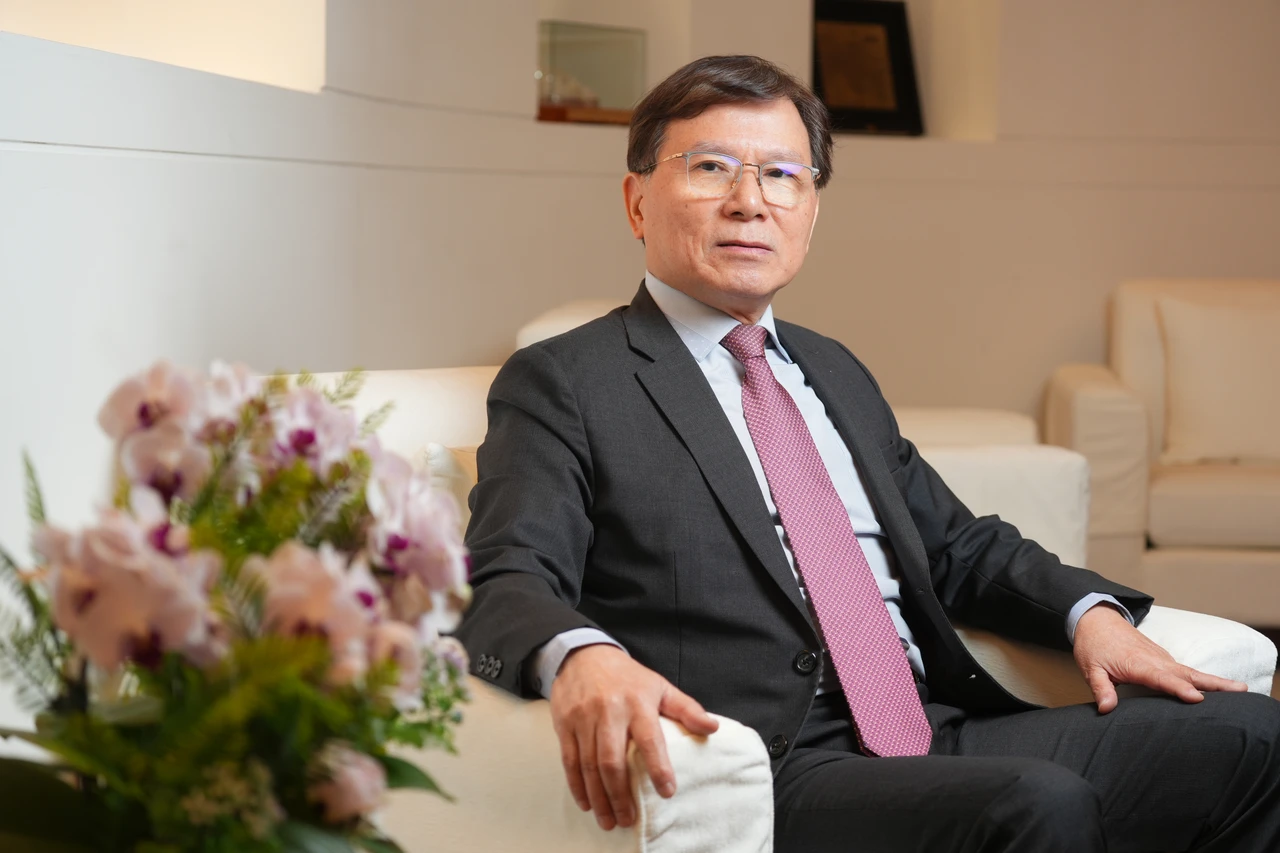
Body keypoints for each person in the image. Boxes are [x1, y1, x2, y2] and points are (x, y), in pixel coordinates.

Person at [454, 55, 1280, 852]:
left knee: (1254, 736)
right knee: (1037, 803)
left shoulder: (832, 369)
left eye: (783, 175)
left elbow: (958, 546)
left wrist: (1088, 614)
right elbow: (507, 575)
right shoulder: (566, 380)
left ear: (811, 211)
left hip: (931, 726)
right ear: (637, 201)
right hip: (769, 762)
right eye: (710, 168)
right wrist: (582, 656)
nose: (750, 202)